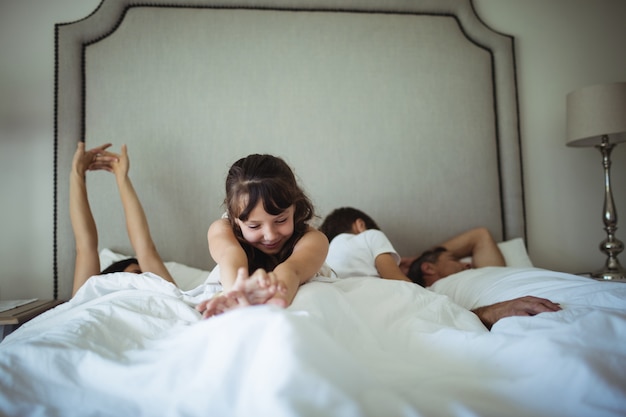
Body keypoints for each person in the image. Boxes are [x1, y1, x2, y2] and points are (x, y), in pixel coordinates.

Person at [319, 206, 561, 329]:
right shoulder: (370, 236)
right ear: (361, 225)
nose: (465, 266)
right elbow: (396, 282)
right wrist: (400, 266)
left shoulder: (323, 253)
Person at [195, 154, 329, 319]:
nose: (270, 235)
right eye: (254, 226)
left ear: (295, 207)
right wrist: (237, 295)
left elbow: (291, 270)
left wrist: (272, 298)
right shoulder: (222, 230)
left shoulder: (314, 239)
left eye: (281, 220)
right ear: (235, 219)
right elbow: (231, 257)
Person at [70, 142, 178, 296]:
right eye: (136, 273)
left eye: (142, 273)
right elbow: (85, 247)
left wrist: (122, 178)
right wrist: (76, 173)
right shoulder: (91, 293)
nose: (142, 277)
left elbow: (145, 249)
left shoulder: (160, 291)